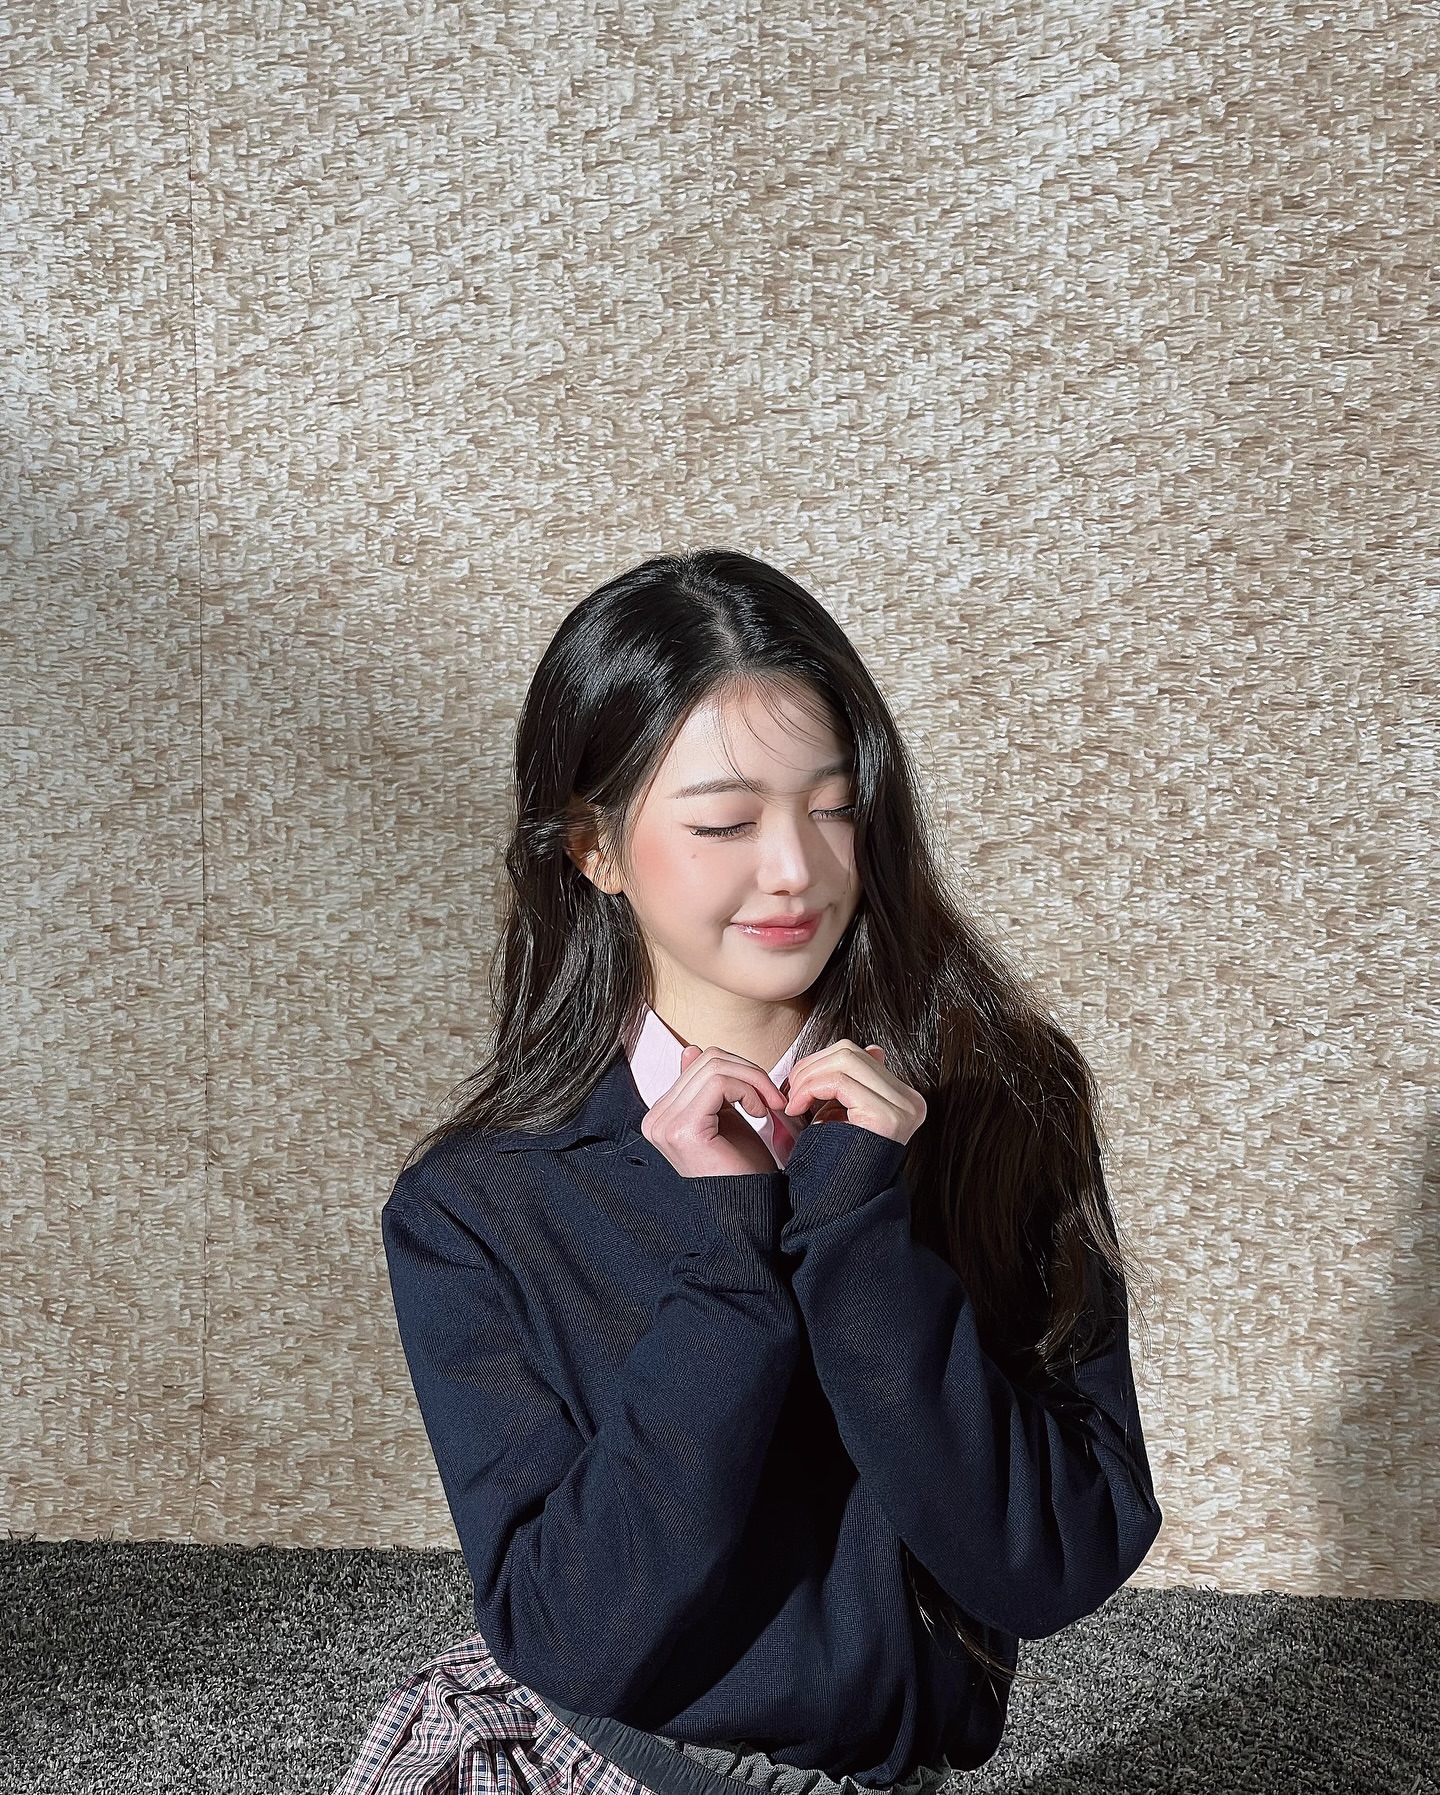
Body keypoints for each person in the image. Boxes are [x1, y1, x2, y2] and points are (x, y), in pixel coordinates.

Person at [332, 549, 1164, 1795]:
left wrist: (859, 1228)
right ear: (594, 848)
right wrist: (727, 1264)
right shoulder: (476, 1204)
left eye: (834, 808)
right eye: (724, 822)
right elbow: (570, 1633)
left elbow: (1051, 1564)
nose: (795, 871)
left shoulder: (1000, 1103)